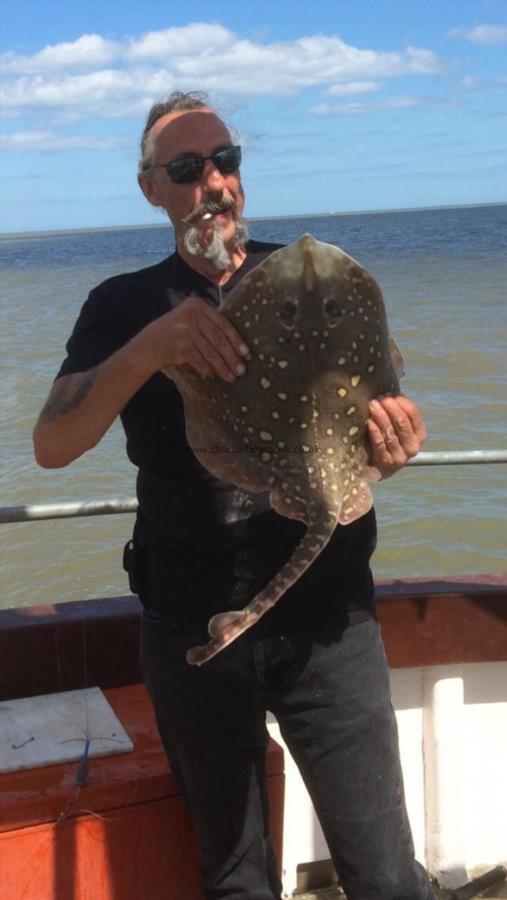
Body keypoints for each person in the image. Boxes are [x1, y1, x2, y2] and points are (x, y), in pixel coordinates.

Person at [33, 91, 434, 900]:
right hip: (192, 623)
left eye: (227, 161)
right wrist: (152, 346)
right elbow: (53, 446)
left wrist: (383, 454)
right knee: (235, 878)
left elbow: (360, 426)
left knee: (388, 876)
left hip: (331, 623)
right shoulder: (122, 303)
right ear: (151, 187)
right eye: (187, 167)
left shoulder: (311, 280)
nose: (214, 181)